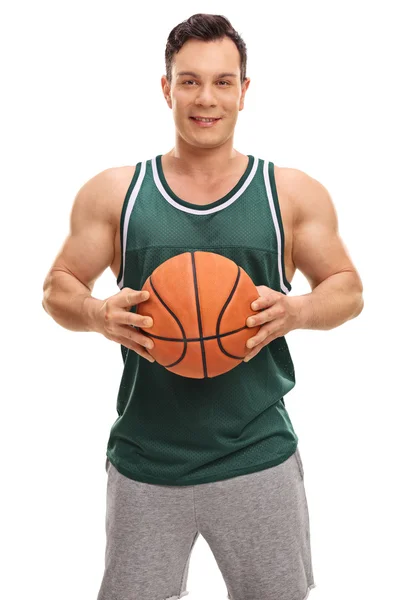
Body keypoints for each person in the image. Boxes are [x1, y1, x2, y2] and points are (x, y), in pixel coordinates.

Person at [42, 12, 364, 600]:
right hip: (146, 460)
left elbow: (347, 288)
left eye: (222, 81)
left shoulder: (288, 192)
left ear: (244, 90)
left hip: (257, 455)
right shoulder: (117, 191)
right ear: (166, 88)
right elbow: (58, 286)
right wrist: (97, 313)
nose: (205, 98)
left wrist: (297, 311)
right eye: (189, 81)